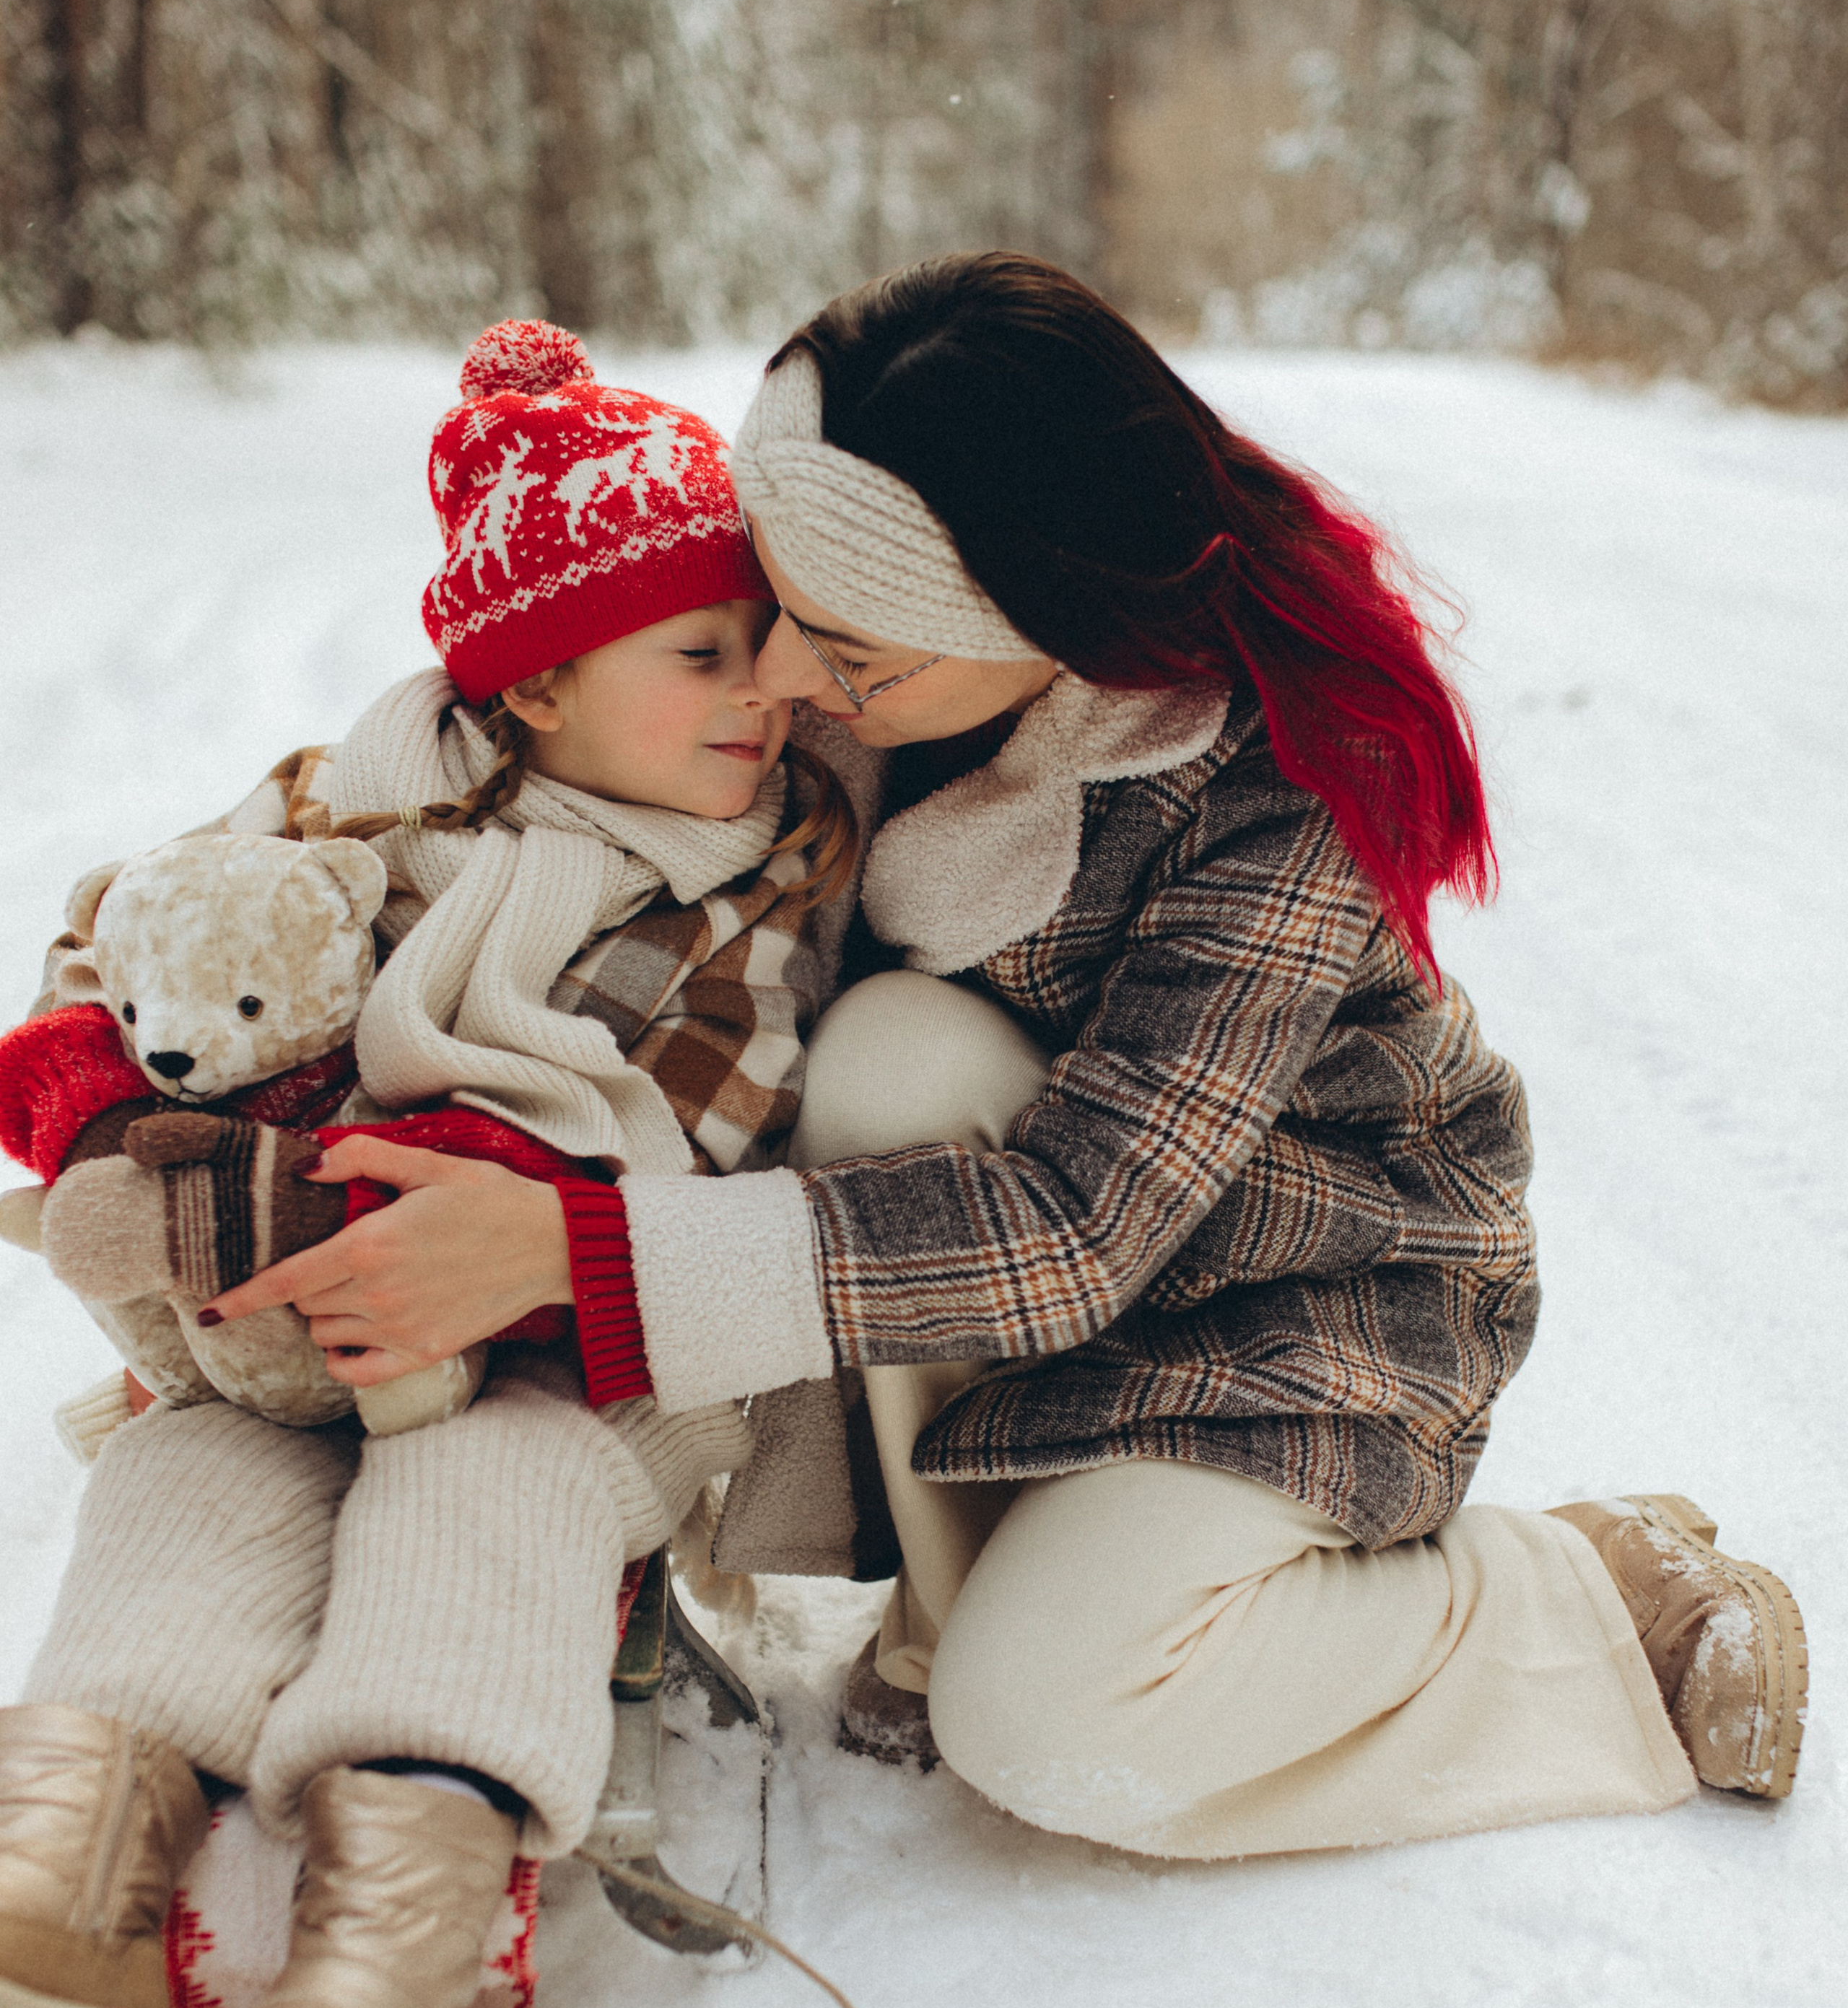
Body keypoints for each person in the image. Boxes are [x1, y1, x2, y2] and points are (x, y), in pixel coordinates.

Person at [175, 254, 1808, 1880]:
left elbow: (1082, 1224)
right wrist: (232, 950)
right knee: (887, 1054)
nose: (781, 683)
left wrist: (579, 1254)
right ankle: (951, 1618)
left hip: (1311, 1292)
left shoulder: (1283, 786)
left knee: (1055, 1727)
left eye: (844, 652)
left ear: (1037, 615)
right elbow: (552, 775)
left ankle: (1590, 1600)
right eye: (770, 611)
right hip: (1028, 1258)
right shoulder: (876, 671)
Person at [0, 319, 854, 2008]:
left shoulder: (757, 880)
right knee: (188, 1475)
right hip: (287, 1311)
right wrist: (113, 1103)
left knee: (487, 1503)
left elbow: (707, 1127)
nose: (764, 696)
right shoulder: (341, 796)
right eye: (703, 654)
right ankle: (68, 1868)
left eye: (766, 648)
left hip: (582, 1335)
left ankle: (389, 1969)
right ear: (536, 682)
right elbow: (142, 932)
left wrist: (484, 1223)